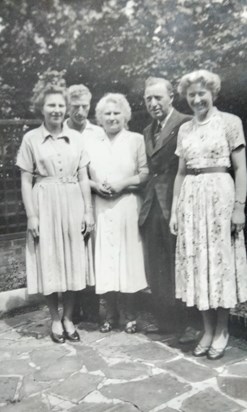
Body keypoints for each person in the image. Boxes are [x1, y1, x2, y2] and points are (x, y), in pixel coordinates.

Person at [170, 69, 247, 360]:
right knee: (198, 264)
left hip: (220, 197)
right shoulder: (185, 129)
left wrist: (239, 207)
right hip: (191, 198)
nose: (197, 99)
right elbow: (180, 173)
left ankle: (223, 329)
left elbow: (240, 168)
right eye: (191, 95)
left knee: (220, 262)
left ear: (213, 93)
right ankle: (207, 329)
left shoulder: (230, 122)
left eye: (202, 93)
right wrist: (175, 211)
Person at [16, 74, 94, 343]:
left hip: (73, 201)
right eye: (51, 106)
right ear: (42, 108)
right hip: (45, 202)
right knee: (49, 259)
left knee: (73, 260)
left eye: (61, 106)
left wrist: (88, 211)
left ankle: (69, 317)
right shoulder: (31, 139)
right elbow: (26, 180)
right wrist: (32, 215)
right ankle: (54, 318)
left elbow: (84, 177)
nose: (57, 111)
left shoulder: (76, 138)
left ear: (67, 109)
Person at [139, 77, 197, 340]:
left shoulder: (185, 122)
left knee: (178, 262)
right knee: (157, 264)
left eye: (158, 97)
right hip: (152, 205)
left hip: (177, 202)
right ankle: (166, 321)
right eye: (148, 99)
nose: (153, 103)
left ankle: (186, 323)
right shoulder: (147, 130)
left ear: (171, 97)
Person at [87, 93, 149, 333]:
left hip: (127, 205)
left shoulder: (136, 140)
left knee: (128, 259)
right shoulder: (91, 142)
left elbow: (145, 173)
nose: (112, 117)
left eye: (116, 113)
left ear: (126, 116)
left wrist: (123, 184)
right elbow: (83, 175)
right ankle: (109, 313)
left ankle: (130, 312)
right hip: (101, 207)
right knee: (106, 259)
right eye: (107, 114)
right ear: (100, 118)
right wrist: (96, 187)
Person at [65, 84, 105, 322]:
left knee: (91, 251)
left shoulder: (97, 132)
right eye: (75, 106)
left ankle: (91, 307)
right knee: (72, 250)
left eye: (85, 106)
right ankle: (74, 308)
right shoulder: (60, 131)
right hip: (69, 198)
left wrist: (99, 185)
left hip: (94, 199)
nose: (80, 111)